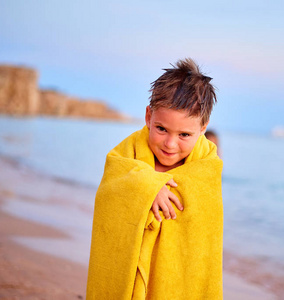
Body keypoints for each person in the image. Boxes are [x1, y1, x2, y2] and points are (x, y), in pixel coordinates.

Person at [86, 58, 223, 299]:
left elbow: (203, 243)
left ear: (203, 128)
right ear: (149, 117)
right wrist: (148, 186)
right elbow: (110, 192)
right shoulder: (126, 155)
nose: (170, 144)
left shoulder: (207, 168)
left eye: (184, 134)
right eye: (161, 129)